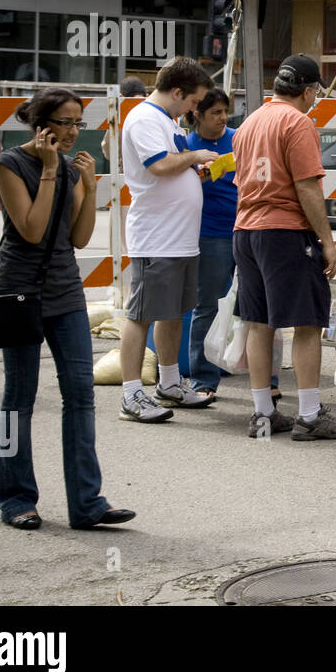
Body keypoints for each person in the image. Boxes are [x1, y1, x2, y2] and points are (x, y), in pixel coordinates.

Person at [0, 88, 134, 530]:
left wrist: (88, 188)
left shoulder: (71, 169)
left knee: (80, 394)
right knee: (20, 397)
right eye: (66, 122)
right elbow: (31, 230)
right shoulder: (9, 165)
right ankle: (15, 498)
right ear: (42, 123)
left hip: (64, 289)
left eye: (79, 123)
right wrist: (52, 171)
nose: (74, 132)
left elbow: (79, 237)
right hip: (19, 290)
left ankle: (87, 503)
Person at [231, 54, 336, 440]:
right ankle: (310, 414)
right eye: (316, 91)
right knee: (307, 322)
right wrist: (327, 242)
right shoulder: (297, 123)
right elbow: (307, 187)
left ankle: (263, 411)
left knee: (259, 323)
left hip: (246, 229)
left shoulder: (249, 123)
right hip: (284, 230)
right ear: (309, 89)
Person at [118, 57, 219, 423]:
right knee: (141, 314)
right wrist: (194, 156)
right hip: (157, 238)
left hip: (178, 238)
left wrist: (197, 172)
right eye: (193, 102)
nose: (195, 110)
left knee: (174, 311)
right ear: (177, 92)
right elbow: (159, 166)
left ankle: (170, 383)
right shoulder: (145, 118)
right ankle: (131, 395)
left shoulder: (166, 120)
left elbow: (172, 169)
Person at [184, 88, 280, 401]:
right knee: (207, 304)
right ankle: (203, 380)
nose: (223, 118)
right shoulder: (188, 146)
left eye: (225, 111)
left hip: (249, 229)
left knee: (261, 306)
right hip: (211, 233)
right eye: (215, 113)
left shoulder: (239, 137)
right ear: (198, 113)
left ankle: (268, 378)